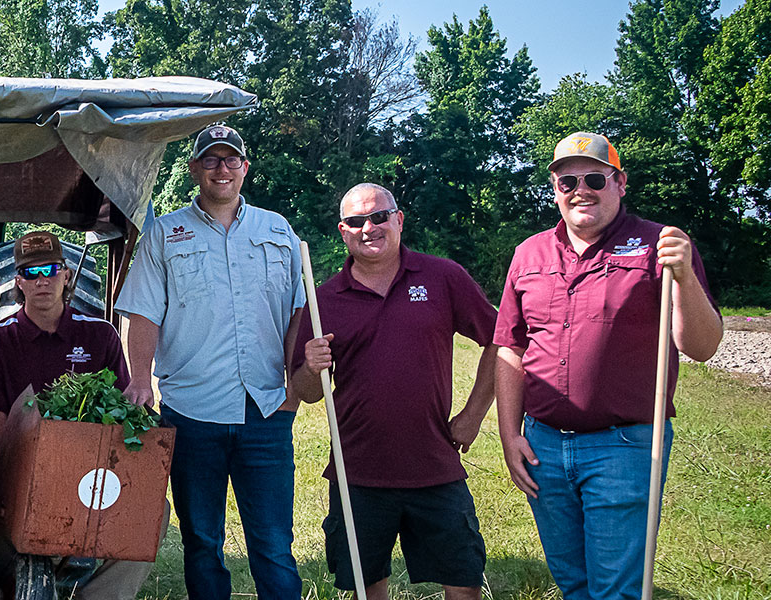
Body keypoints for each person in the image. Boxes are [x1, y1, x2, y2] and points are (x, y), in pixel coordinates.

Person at [493, 132, 721, 600]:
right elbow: (510, 348)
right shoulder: (528, 253)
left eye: (595, 178)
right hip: (543, 446)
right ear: (554, 187)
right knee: (573, 582)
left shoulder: (660, 245)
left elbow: (700, 346)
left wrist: (684, 278)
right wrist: (509, 435)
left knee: (616, 589)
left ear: (619, 183)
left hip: (624, 446)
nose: (581, 189)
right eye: (567, 180)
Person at [113, 124, 306, 600]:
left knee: (274, 544)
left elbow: (299, 311)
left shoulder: (278, 230)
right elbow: (143, 312)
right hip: (192, 412)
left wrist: (294, 389)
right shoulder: (164, 234)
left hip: (266, 411)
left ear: (245, 167)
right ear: (195, 168)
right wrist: (141, 379)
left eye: (231, 159)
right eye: (212, 160)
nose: (222, 168)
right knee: (202, 542)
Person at [289, 184, 498, 600]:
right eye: (355, 222)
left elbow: (500, 340)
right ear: (342, 231)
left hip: (435, 466)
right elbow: (306, 391)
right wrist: (312, 366)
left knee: (464, 581)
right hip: (358, 473)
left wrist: (473, 415)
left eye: (379, 217)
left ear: (398, 220)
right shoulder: (323, 300)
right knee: (367, 589)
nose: (369, 228)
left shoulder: (443, 278)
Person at [0, 230, 150, 600]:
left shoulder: (100, 336)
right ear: (18, 282)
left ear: (66, 275)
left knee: (151, 511)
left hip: (91, 469)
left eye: (51, 270)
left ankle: (97, 595)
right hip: (21, 469)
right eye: (31, 273)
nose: (42, 281)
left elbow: (117, 416)